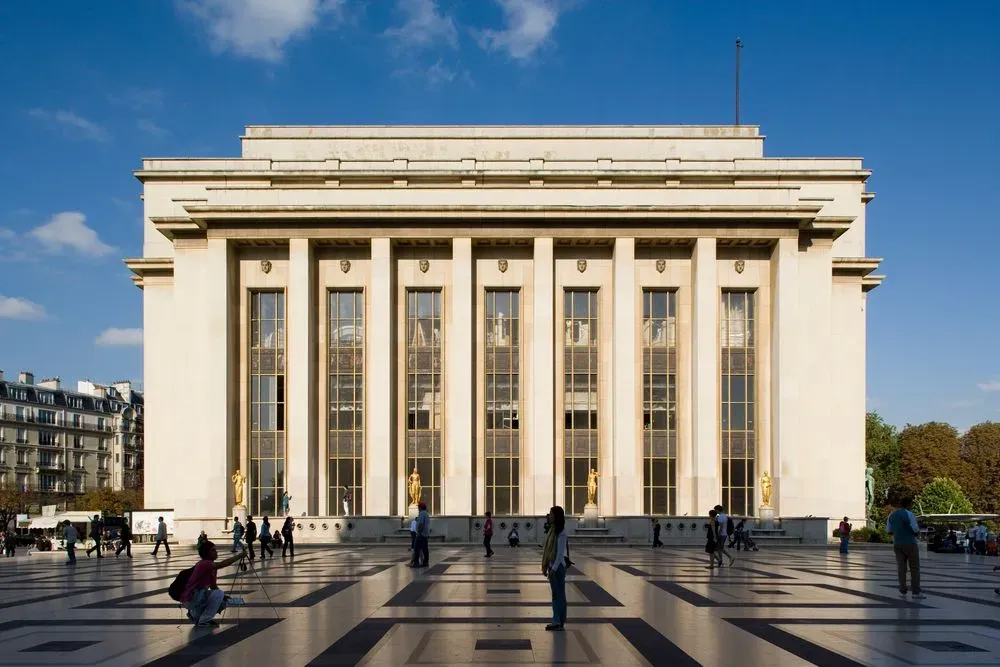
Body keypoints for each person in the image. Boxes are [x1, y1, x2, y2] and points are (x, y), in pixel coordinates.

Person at [180, 540, 245, 626]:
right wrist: (240, 555)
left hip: (198, 597)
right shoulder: (204, 563)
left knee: (221, 598)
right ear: (207, 553)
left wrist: (224, 597)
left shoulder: (212, 568)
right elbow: (223, 564)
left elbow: (213, 587)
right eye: (213, 550)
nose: (216, 552)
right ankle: (204, 620)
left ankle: (194, 615)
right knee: (219, 594)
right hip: (192, 597)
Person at [886, 497, 925, 599]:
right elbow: (915, 529)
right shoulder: (909, 514)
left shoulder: (891, 515)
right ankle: (916, 592)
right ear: (908, 504)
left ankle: (902, 591)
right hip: (910, 543)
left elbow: (889, 531)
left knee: (901, 568)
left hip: (897, 544)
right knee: (914, 568)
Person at [541, 505, 568, 631]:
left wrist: (553, 569)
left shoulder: (561, 532)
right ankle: (556, 619)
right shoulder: (552, 530)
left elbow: (559, 554)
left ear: (556, 516)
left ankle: (558, 621)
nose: (549, 516)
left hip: (558, 568)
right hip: (552, 567)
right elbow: (548, 550)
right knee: (555, 595)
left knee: (559, 595)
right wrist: (547, 566)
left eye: (551, 514)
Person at [410, 502, 430, 567]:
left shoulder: (421, 513)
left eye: (418, 507)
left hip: (421, 534)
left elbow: (421, 524)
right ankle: (425, 562)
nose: (418, 509)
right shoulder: (426, 514)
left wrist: (419, 532)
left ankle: (416, 562)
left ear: (421, 507)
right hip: (425, 534)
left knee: (416, 548)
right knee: (425, 549)